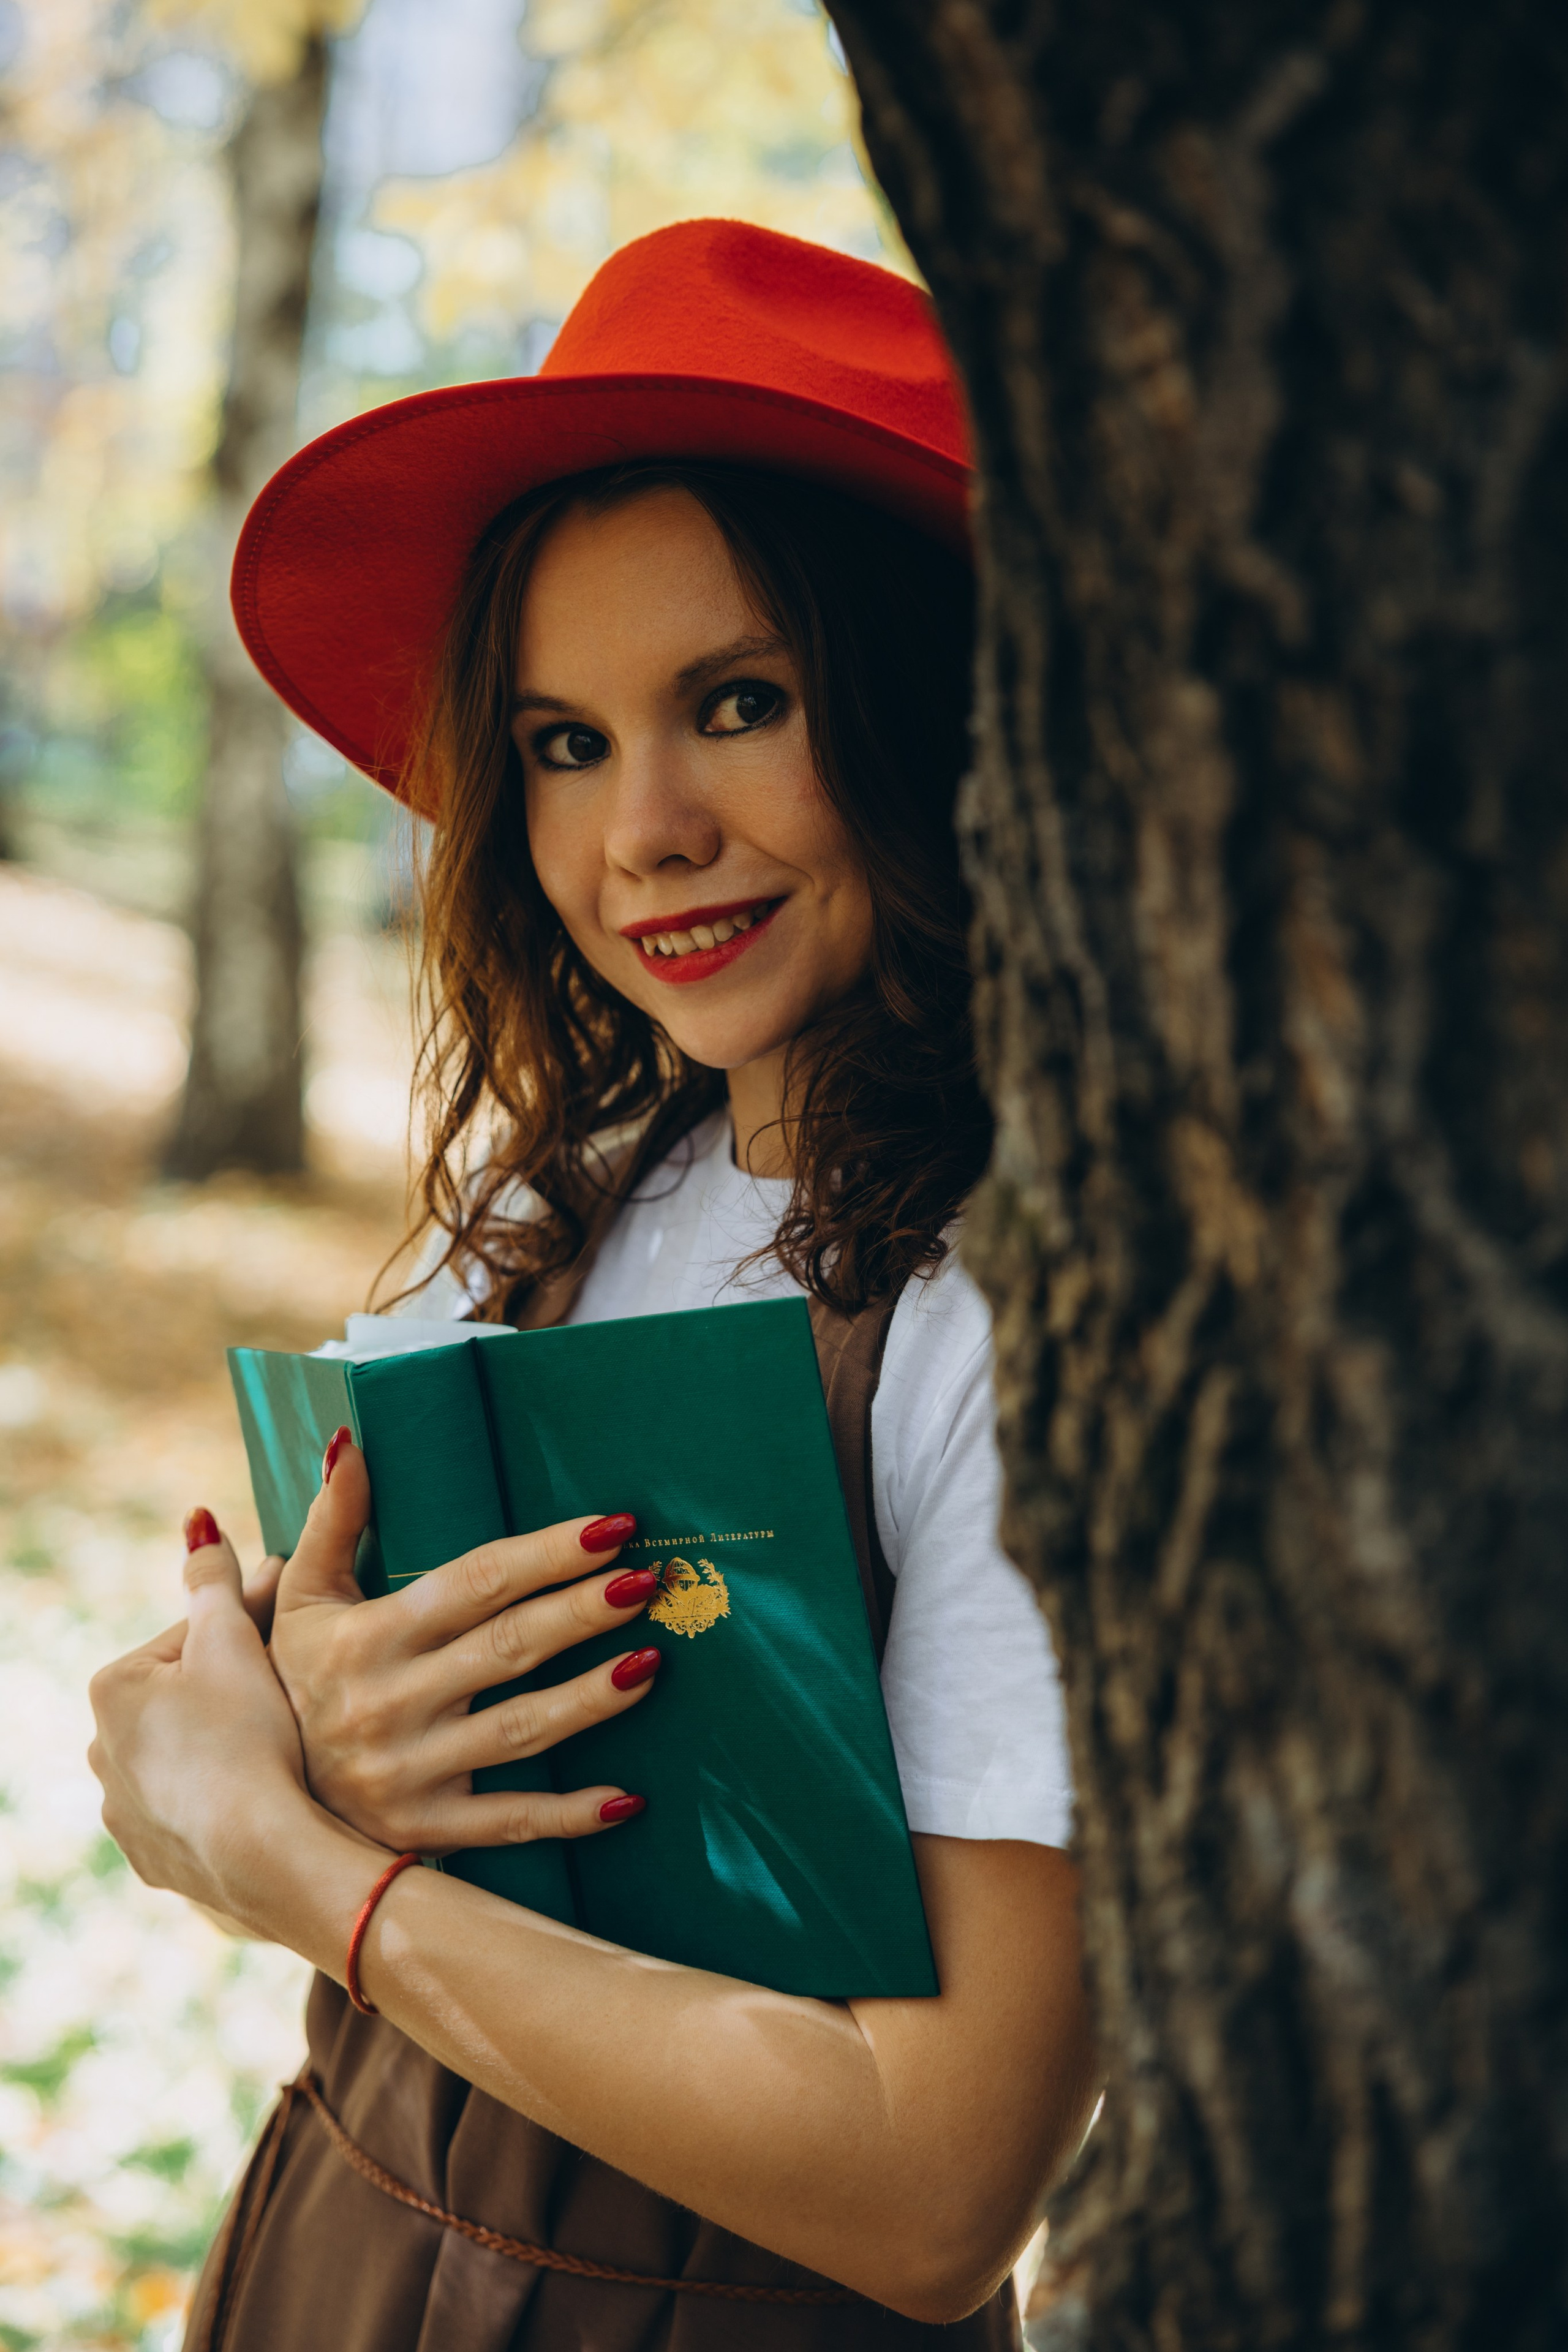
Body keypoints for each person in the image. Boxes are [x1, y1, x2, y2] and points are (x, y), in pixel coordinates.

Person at [88, 220, 1098, 2352]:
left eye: (740, 705)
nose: (645, 830)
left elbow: (939, 2190)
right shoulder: (547, 1216)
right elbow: (178, 1732)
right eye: (561, 741)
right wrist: (288, 1714)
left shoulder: (1014, 1322)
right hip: (327, 2265)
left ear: (948, 706)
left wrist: (313, 1871)